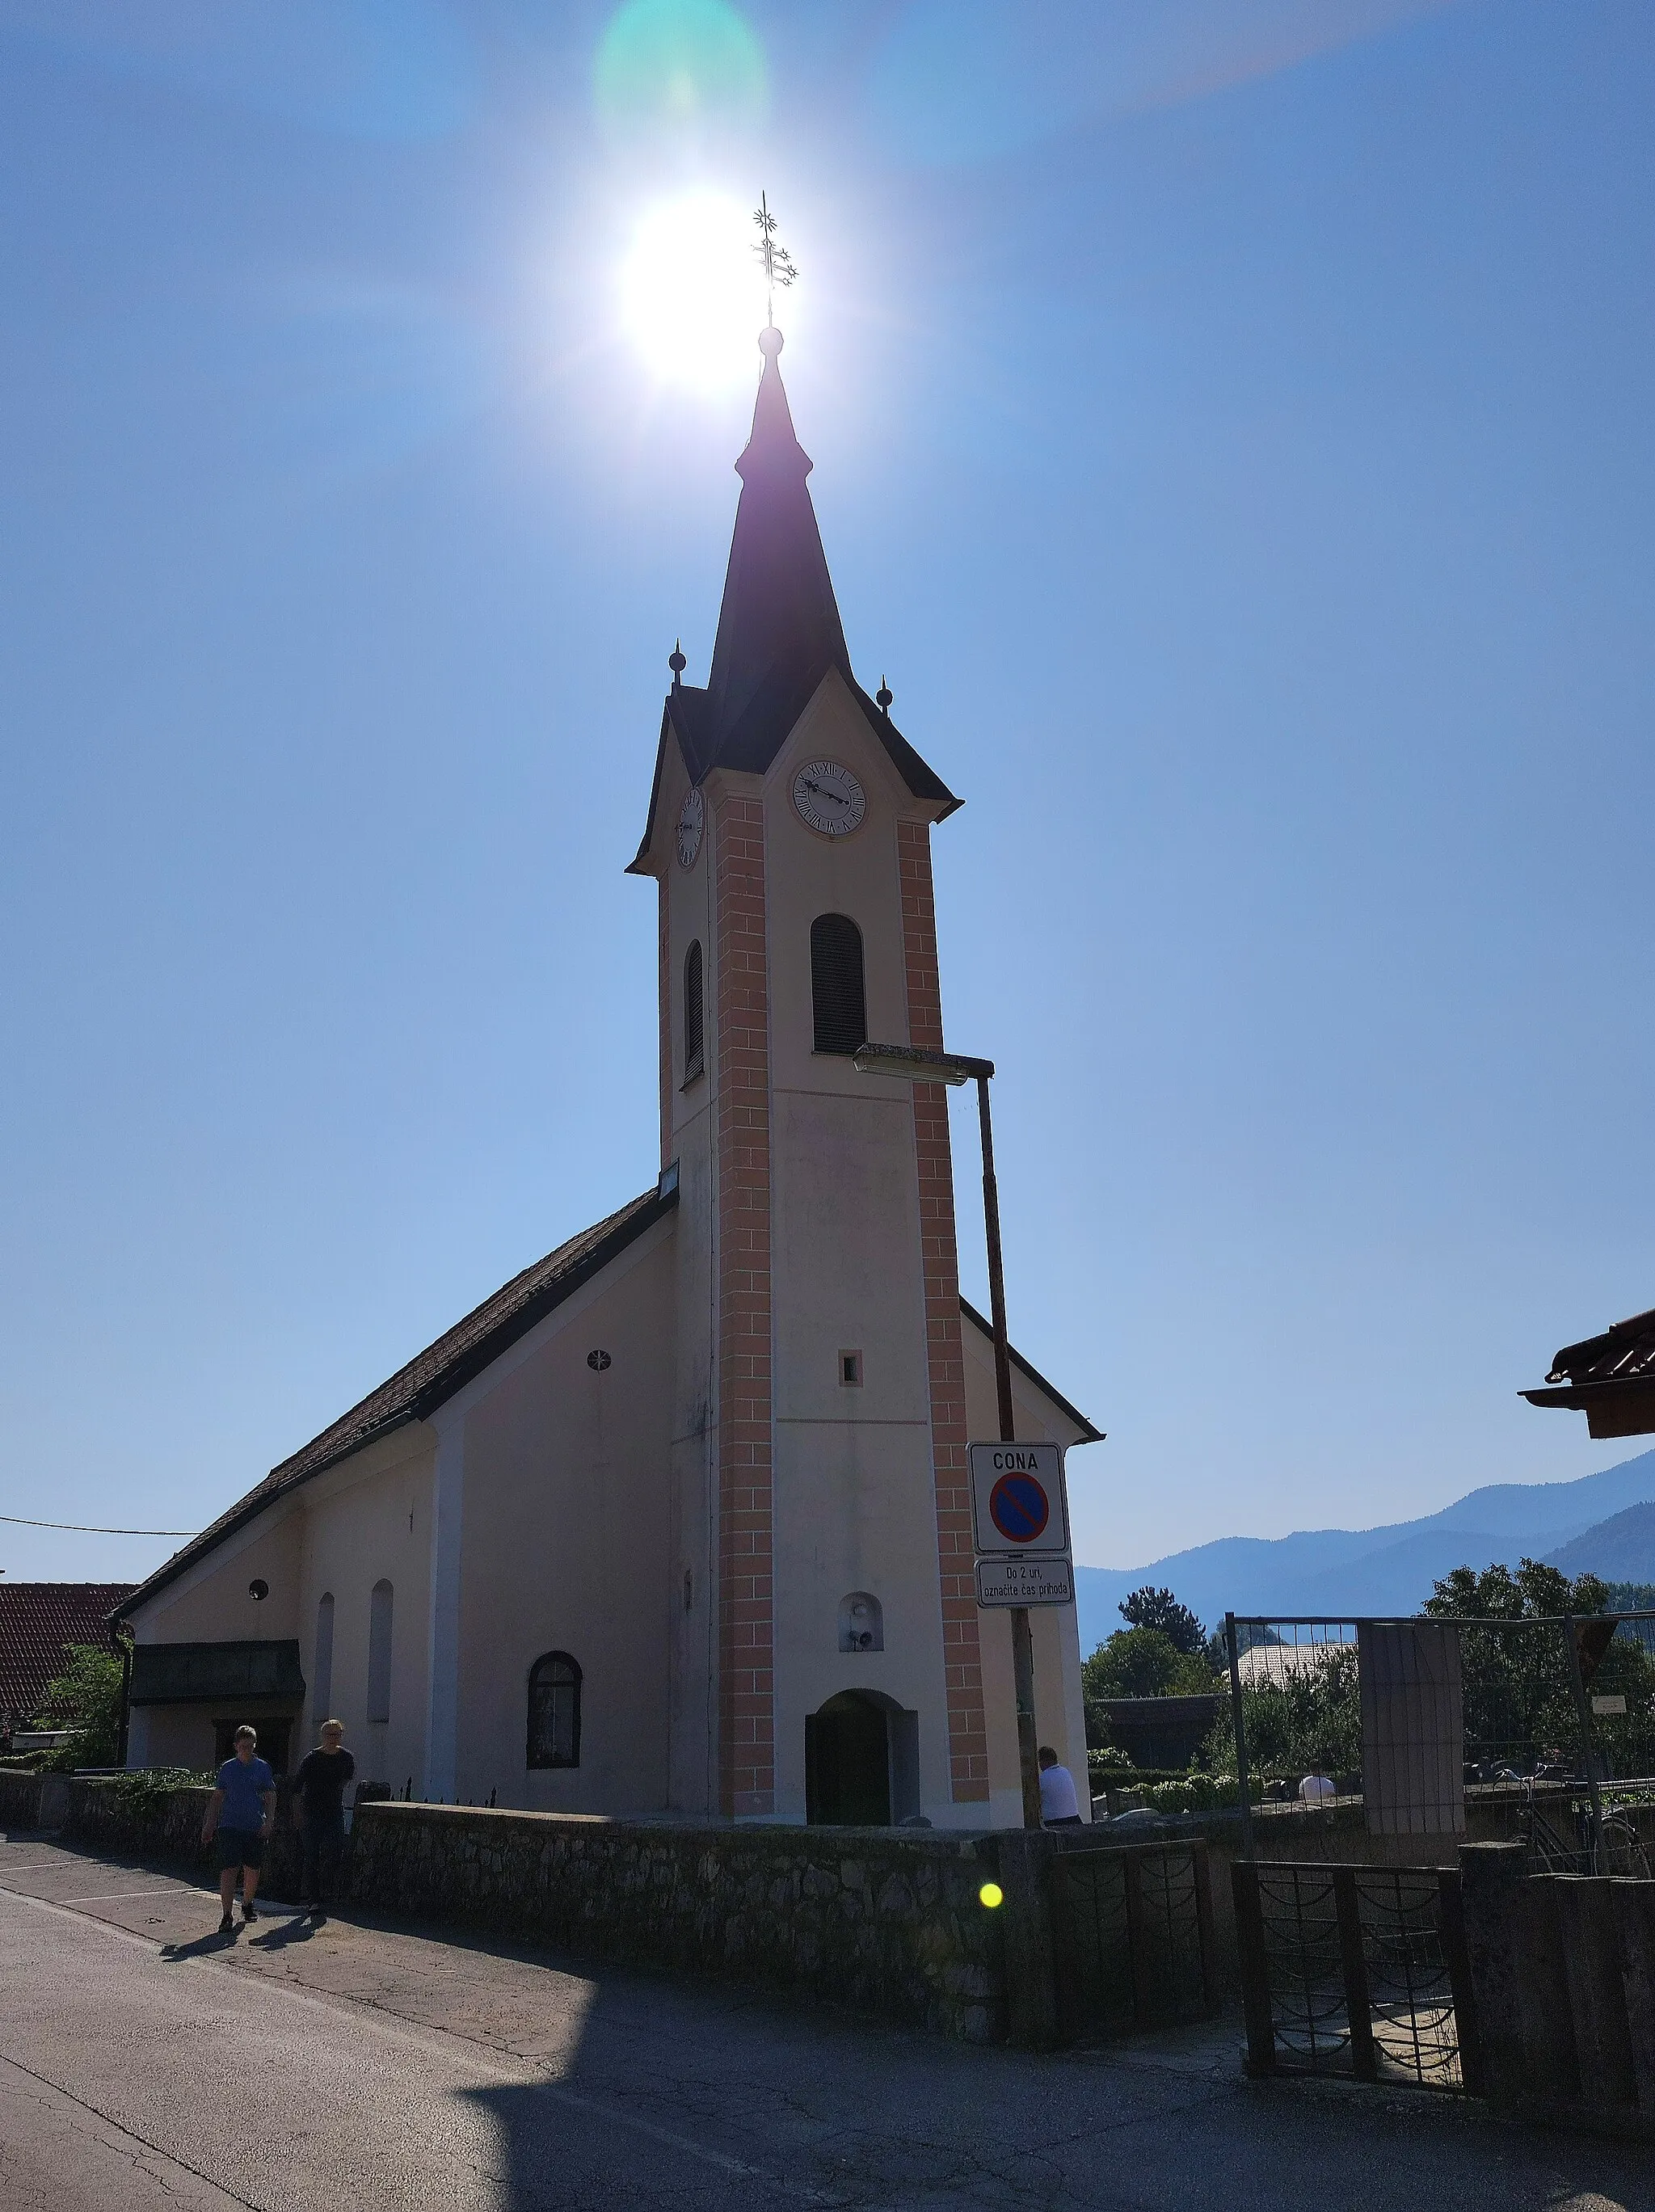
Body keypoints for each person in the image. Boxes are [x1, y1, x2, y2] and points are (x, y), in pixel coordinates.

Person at [202, 1725, 276, 1933]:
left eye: (250, 1745)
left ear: (254, 1745)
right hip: (230, 1825)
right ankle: (226, 1914)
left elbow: (270, 1796)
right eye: (242, 1746)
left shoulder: (262, 1768)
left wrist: (269, 1822)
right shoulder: (228, 1768)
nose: (246, 1749)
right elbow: (218, 1797)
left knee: (252, 1870)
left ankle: (247, 1902)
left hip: (254, 1825)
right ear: (236, 1746)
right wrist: (209, 1824)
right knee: (229, 1869)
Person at [292, 1717, 356, 1920]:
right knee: (312, 1856)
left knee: (336, 1850)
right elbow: (297, 1788)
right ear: (323, 1736)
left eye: (337, 1734)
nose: (333, 1738)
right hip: (312, 1812)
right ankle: (313, 1899)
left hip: (334, 1811)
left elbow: (346, 1780)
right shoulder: (311, 1759)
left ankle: (327, 1891)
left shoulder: (346, 1758)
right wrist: (298, 1813)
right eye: (329, 1734)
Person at [1038, 1745, 1084, 1829]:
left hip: (1054, 1822)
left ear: (1044, 1761)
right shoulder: (1066, 1772)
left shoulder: (1042, 1778)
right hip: (1075, 1820)